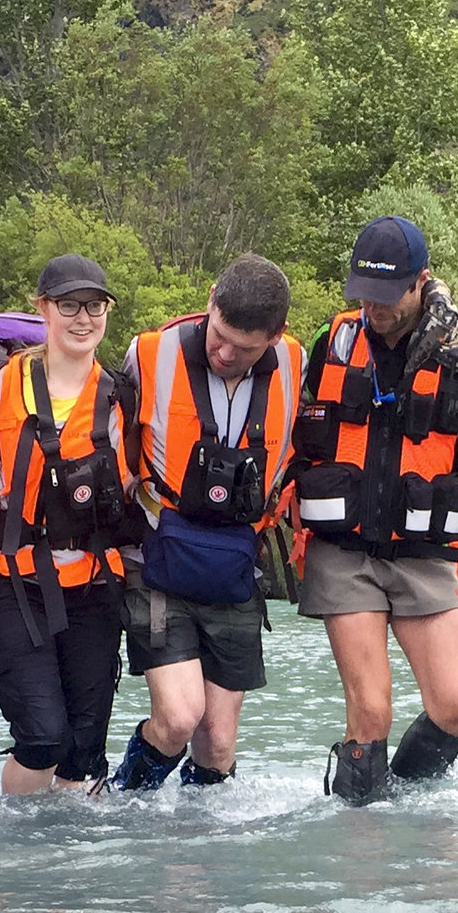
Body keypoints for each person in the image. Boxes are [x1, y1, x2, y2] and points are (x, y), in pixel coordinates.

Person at [294, 216, 458, 805]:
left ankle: (401, 803)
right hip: (343, 552)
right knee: (371, 711)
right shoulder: (332, 342)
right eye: (363, 294)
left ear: (420, 282)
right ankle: (360, 834)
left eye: (385, 296)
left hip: (423, 554)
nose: (372, 307)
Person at [104, 253, 305, 790]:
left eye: (244, 348)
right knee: (177, 718)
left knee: (217, 744)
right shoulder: (147, 354)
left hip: (236, 564)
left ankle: (199, 856)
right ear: (211, 300)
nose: (224, 352)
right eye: (219, 335)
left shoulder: (296, 361)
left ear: (276, 335)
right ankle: (125, 805)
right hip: (156, 560)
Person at [0, 255, 137, 795]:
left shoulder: (120, 395)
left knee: (84, 749)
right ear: (43, 308)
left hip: (93, 579)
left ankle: (72, 869)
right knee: (43, 737)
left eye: (94, 306)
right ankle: (19, 849)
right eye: (69, 305)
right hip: (13, 576)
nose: (83, 318)